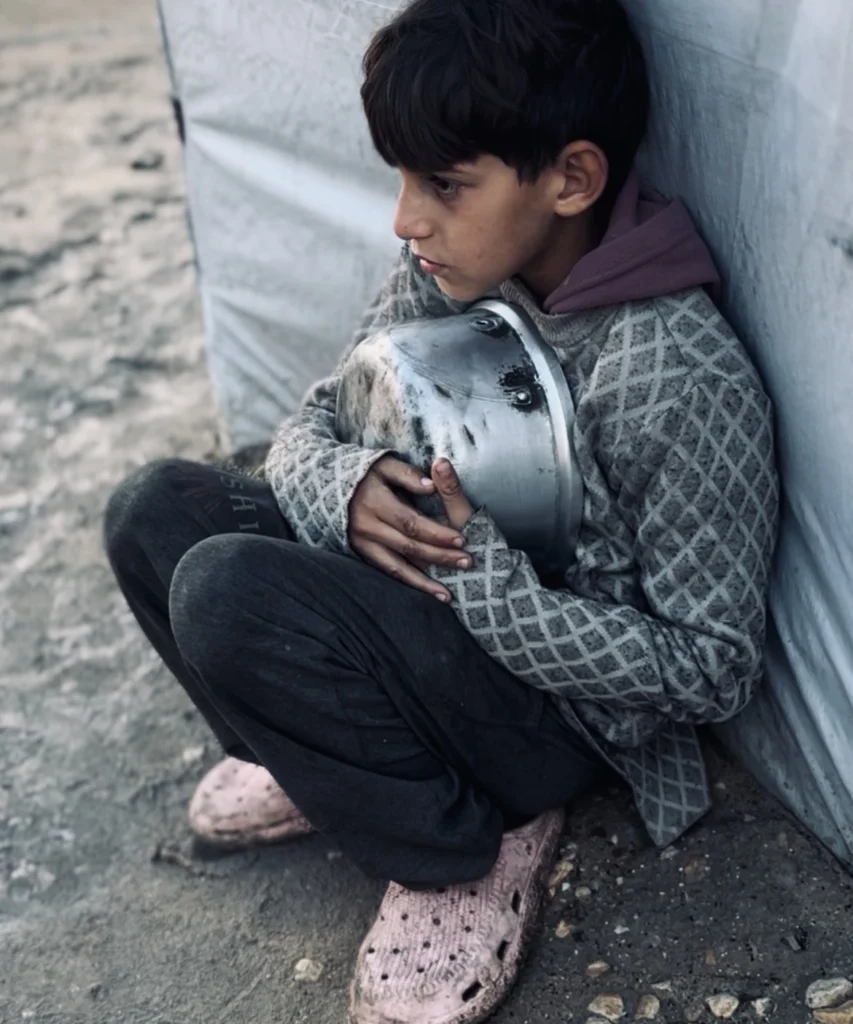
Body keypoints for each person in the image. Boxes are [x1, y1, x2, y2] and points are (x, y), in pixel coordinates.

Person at [103, 0, 779, 1021]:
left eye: (444, 185)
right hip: (426, 612)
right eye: (404, 179)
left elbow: (709, 667)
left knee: (228, 590)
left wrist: (485, 582)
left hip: (559, 718)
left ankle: (456, 852)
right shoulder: (454, 269)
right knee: (156, 509)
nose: (405, 218)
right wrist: (350, 487)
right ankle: (319, 758)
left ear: (572, 179)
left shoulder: (674, 371)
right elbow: (317, 421)